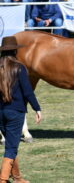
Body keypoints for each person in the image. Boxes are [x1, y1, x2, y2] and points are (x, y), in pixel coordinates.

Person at [0, 36, 41, 183]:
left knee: (11, 145)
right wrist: (37, 109)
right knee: (11, 148)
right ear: (15, 51)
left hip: (1, 112)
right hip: (15, 113)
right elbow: (28, 91)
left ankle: (17, 178)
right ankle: (3, 179)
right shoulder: (19, 67)